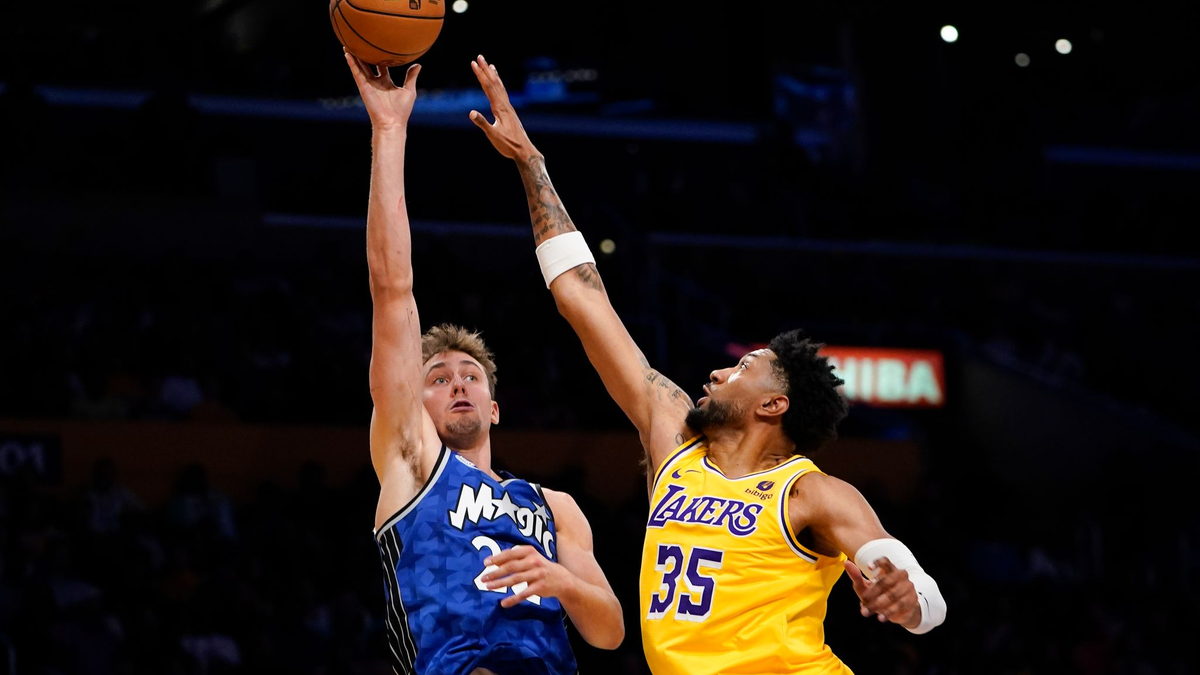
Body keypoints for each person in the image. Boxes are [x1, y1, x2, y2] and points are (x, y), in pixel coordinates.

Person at [466, 54, 946, 674]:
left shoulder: (813, 494)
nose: (718, 373)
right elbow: (580, 297)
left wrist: (907, 600)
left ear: (775, 405)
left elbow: (919, 592)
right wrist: (532, 164)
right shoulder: (673, 440)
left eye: (744, 367)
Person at [342, 50, 624, 675]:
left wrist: (564, 583)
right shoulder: (410, 460)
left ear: (495, 407)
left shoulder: (555, 507)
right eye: (437, 379)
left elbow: (608, 631)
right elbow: (392, 288)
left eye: (471, 376)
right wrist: (389, 131)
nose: (458, 384)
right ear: (414, 402)